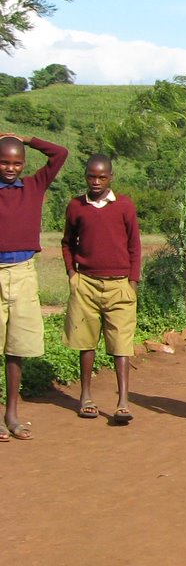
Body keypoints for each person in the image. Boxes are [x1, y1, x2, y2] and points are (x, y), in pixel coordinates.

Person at [61, 153, 140, 425]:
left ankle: (122, 403)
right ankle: (86, 397)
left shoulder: (124, 206)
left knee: (121, 344)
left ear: (111, 177)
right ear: (85, 176)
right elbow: (67, 242)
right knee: (86, 342)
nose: (96, 181)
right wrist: (72, 274)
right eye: (91, 176)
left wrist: (132, 282)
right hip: (86, 283)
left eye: (101, 177)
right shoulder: (76, 206)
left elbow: (134, 245)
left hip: (119, 284)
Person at [0, 132, 68, 440]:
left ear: (24, 164)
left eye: (16, 162)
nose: (10, 168)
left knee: (17, 348)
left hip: (24, 272)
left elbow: (60, 154)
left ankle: (12, 414)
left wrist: (27, 139)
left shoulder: (33, 186)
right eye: (4, 161)